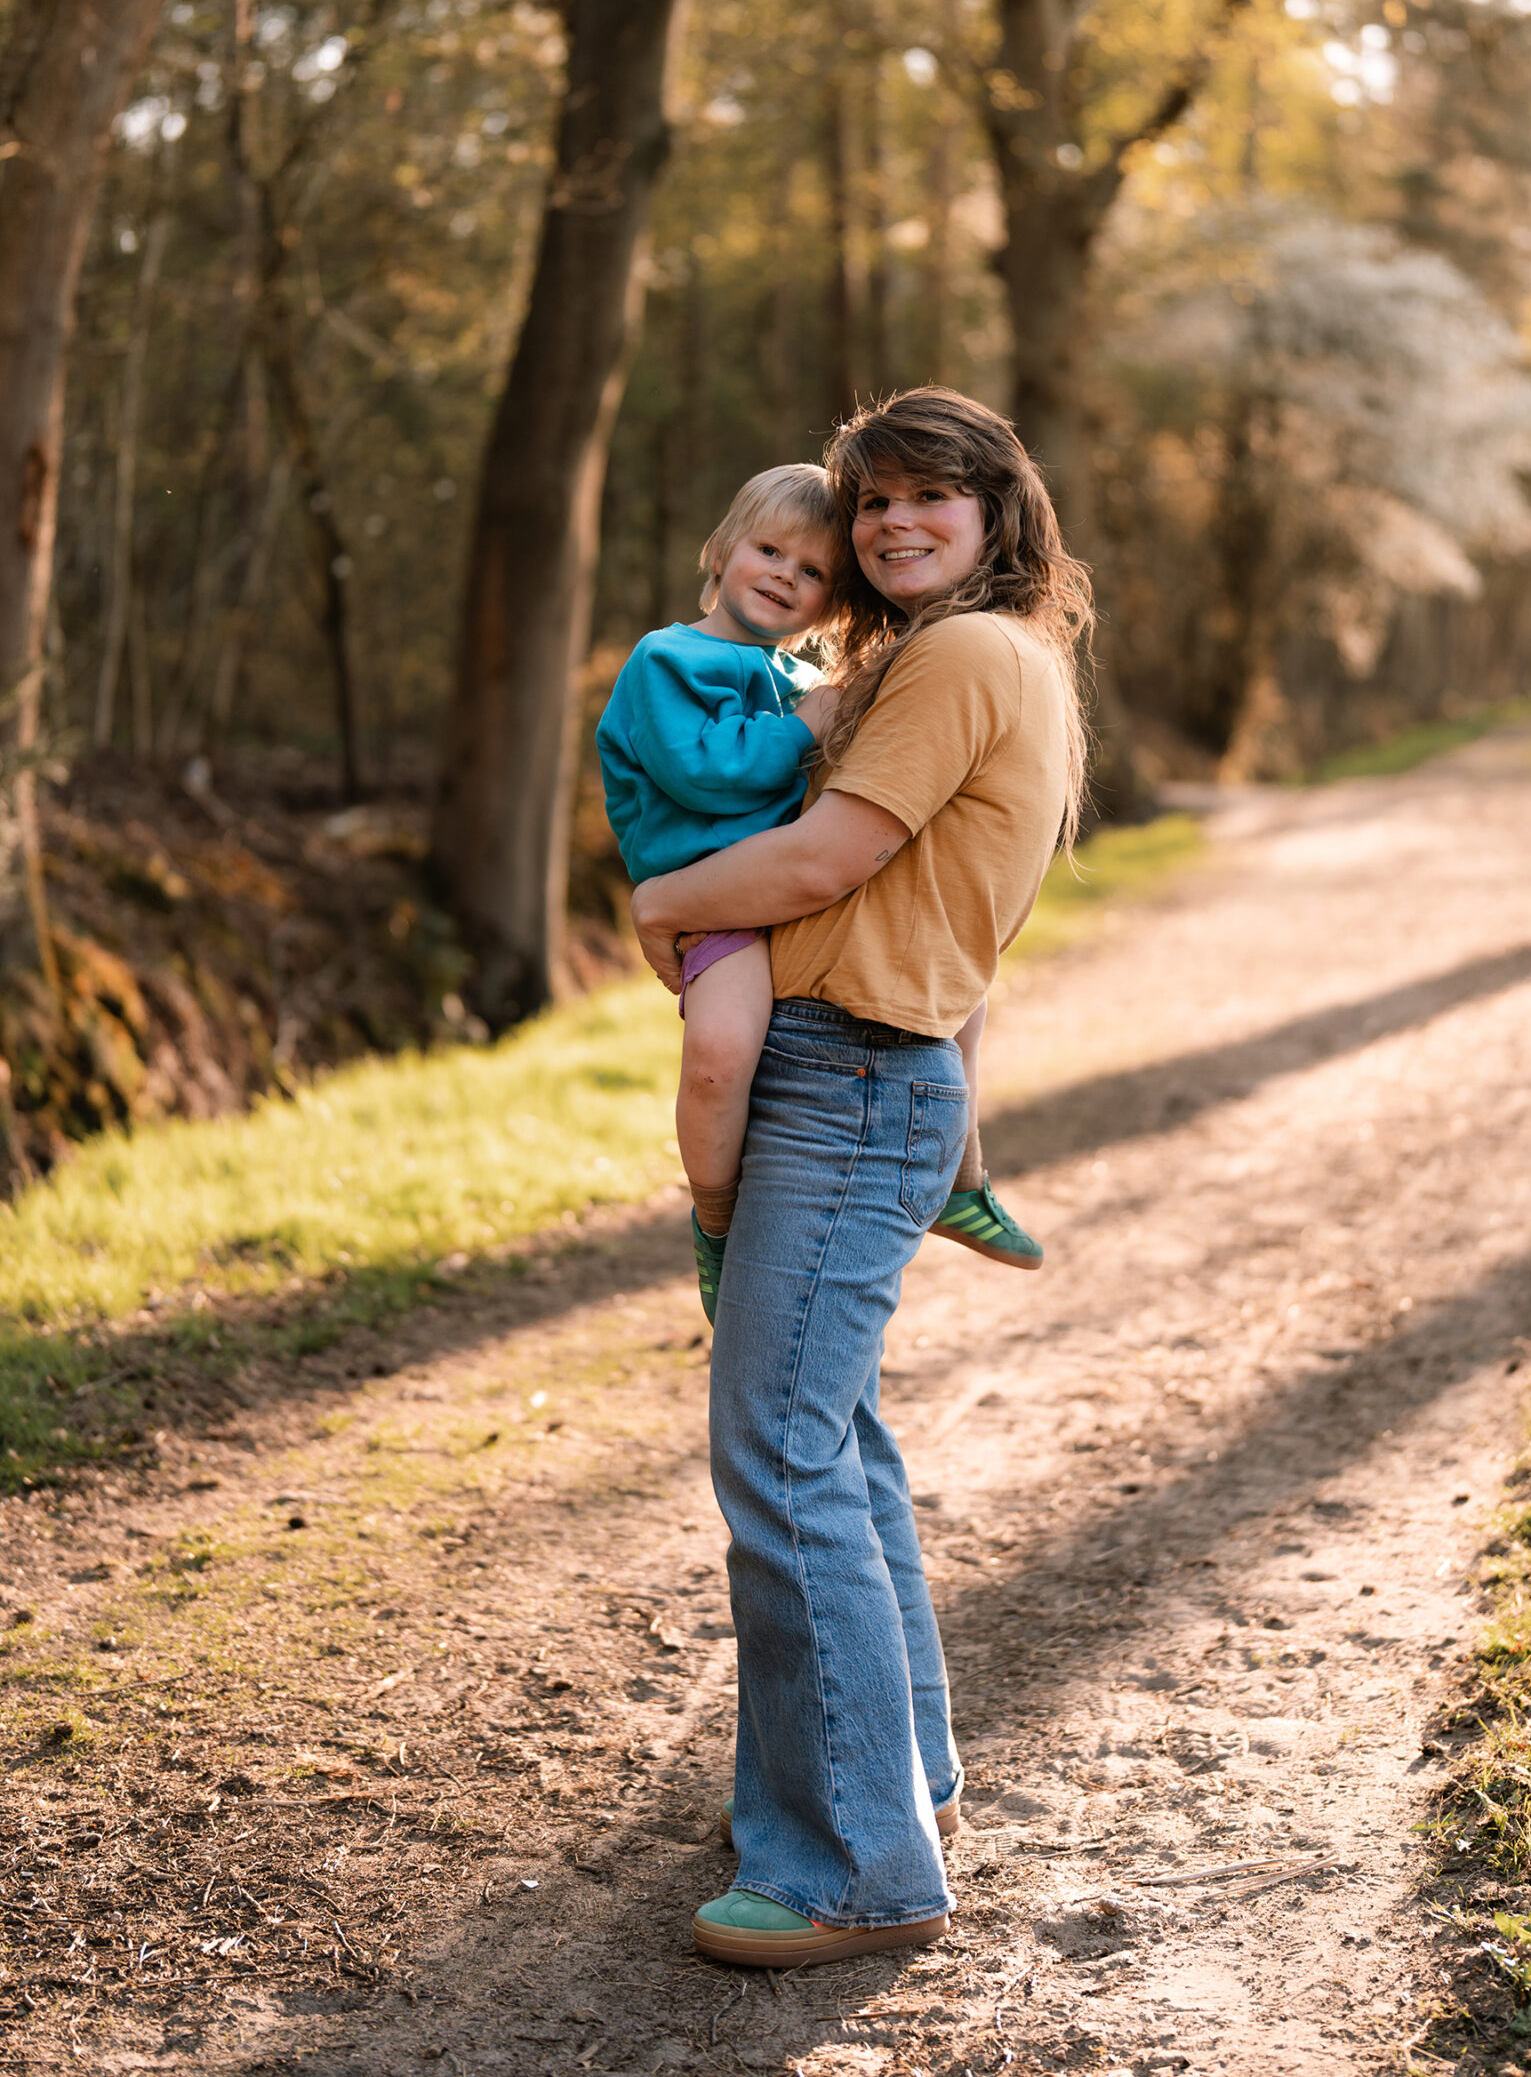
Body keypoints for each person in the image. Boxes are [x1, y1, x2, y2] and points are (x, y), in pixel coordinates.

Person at [629, 388, 1091, 1970]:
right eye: (871, 501)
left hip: (847, 1075)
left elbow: (828, 859)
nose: (891, 522)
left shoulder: (960, 659)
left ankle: (849, 1868)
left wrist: (662, 904)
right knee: (829, 1439)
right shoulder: (989, 658)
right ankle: (893, 1781)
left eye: (925, 496)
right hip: (867, 1072)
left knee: (777, 1454)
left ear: (994, 510)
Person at [596, 463, 1044, 1327]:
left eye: (811, 573)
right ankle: (715, 1223)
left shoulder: (800, 678)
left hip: (787, 890)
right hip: (712, 895)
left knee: (958, 987)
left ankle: (961, 1177)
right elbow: (704, 774)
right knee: (720, 1053)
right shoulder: (669, 660)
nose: (783, 577)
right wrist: (807, 725)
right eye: (768, 551)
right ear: (721, 549)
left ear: (832, 605)